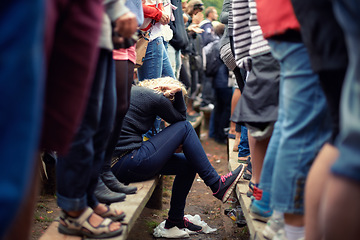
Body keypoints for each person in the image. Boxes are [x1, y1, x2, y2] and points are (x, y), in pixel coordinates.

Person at [111, 77, 245, 232]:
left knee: (188, 164)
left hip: (121, 163)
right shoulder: (154, 97)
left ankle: (175, 219)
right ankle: (216, 184)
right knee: (186, 127)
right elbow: (181, 121)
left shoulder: (137, 92)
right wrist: (179, 95)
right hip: (127, 161)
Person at [54, 0, 138, 238]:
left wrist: (117, 11)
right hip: (74, 29)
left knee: (103, 120)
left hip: (101, 34)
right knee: (81, 124)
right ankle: (73, 210)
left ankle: (88, 197)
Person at [252, 1, 332, 239]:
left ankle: (272, 209)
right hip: (299, 20)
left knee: (290, 123)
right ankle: (291, 228)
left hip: (282, 19)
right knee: (304, 129)